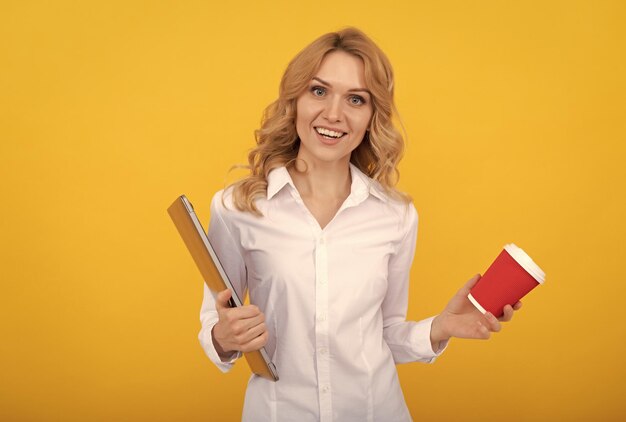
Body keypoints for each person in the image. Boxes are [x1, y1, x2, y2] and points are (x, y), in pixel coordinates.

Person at [198, 27, 521, 421]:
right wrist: (224, 338)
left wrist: (441, 327)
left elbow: (384, 334)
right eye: (318, 91)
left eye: (356, 99)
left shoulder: (395, 216)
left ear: (371, 116)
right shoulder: (237, 207)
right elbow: (215, 321)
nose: (334, 114)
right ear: (294, 100)